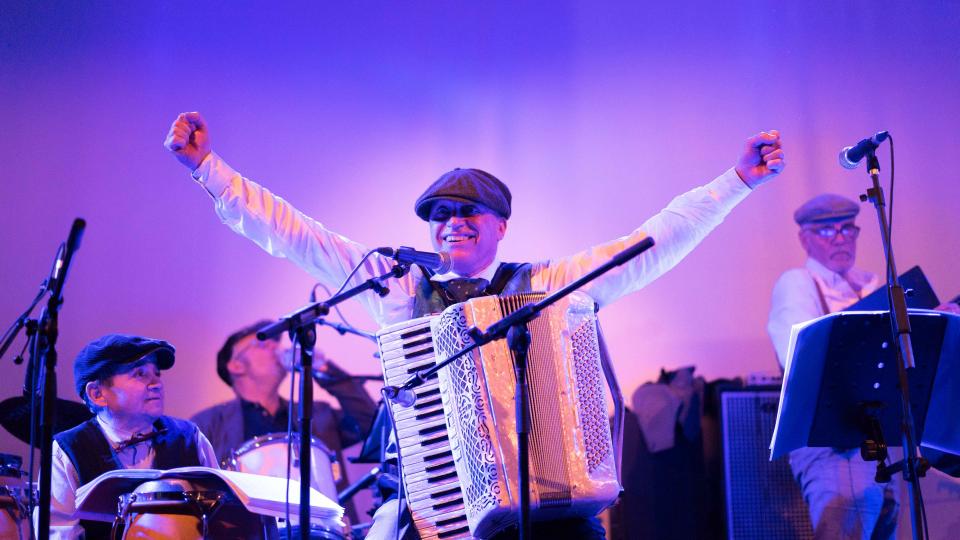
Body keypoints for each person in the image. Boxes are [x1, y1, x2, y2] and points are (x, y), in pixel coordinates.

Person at [165, 112, 785, 538]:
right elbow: (295, 234)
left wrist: (735, 183)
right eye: (438, 216)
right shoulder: (399, 286)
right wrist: (208, 170)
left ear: (499, 225)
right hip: (437, 501)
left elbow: (651, 243)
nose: (450, 224)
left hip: (550, 512)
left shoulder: (548, 282)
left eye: (468, 213)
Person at [767, 194, 960, 540]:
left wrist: (935, 324)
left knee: (888, 529)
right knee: (847, 531)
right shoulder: (798, 283)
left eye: (847, 229)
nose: (840, 239)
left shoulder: (874, 284)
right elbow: (799, 360)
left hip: (887, 441)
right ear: (804, 238)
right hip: (833, 445)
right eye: (827, 231)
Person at [42, 334, 219, 540]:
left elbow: (223, 514)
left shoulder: (189, 437)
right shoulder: (68, 450)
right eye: (140, 374)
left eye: (157, 373)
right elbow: (59, 532)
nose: (156, 383)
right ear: (97, 394)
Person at [190, 320, 377, 513]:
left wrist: (322, 367)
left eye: (275, 341)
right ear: (236, 366)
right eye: (262, 343)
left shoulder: (319, 414)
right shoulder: (206, 425)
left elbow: (370, 423)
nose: (276, 346)